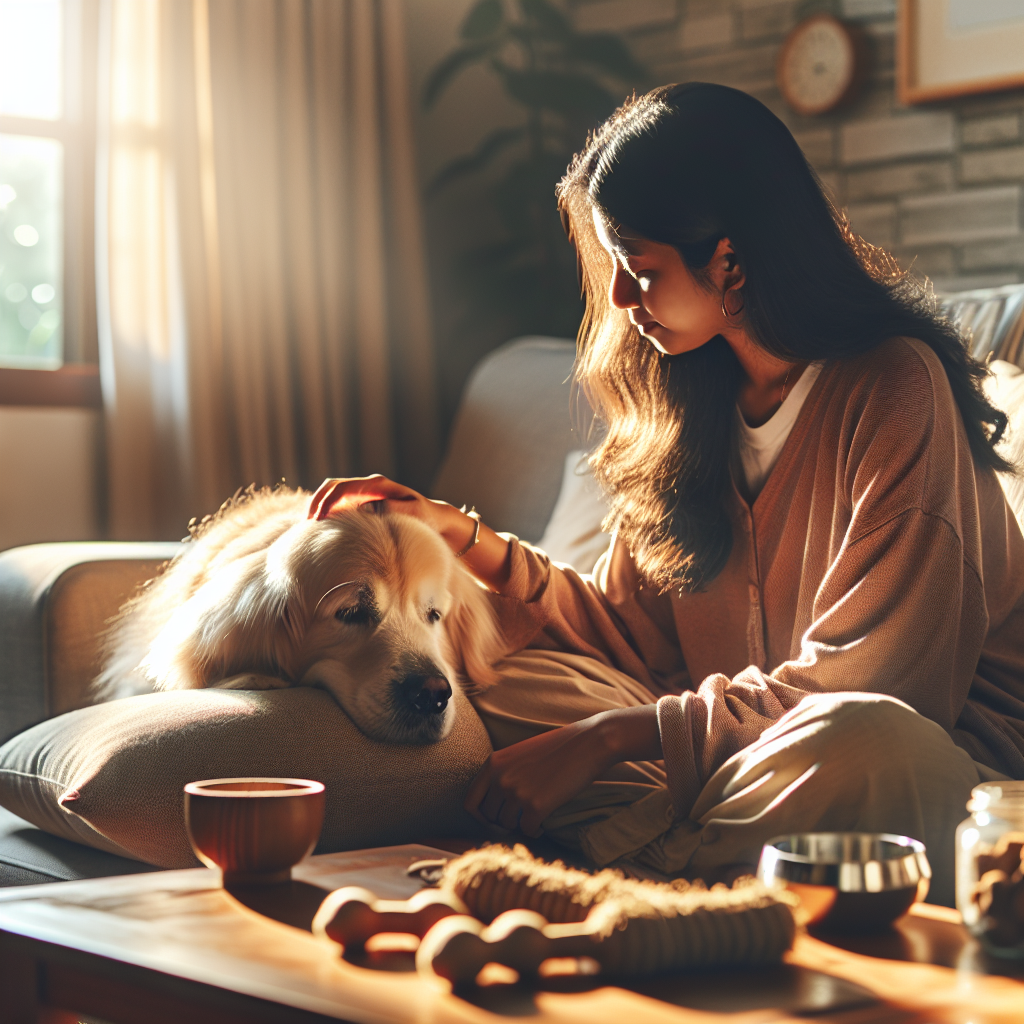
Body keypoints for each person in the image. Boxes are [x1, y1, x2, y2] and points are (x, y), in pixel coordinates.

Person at [309, 84, 1024, 904]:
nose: (617, 298)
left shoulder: (896, 386)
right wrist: (460, 539)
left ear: (730, 259)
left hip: (934, 764)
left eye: (639, 268)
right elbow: (626, 636)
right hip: (740, 763)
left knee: (869, 739)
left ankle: (630, 873)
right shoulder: (696, 405)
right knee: (508, 677)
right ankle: (687, 865)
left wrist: (613, 737)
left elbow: (885, 688)